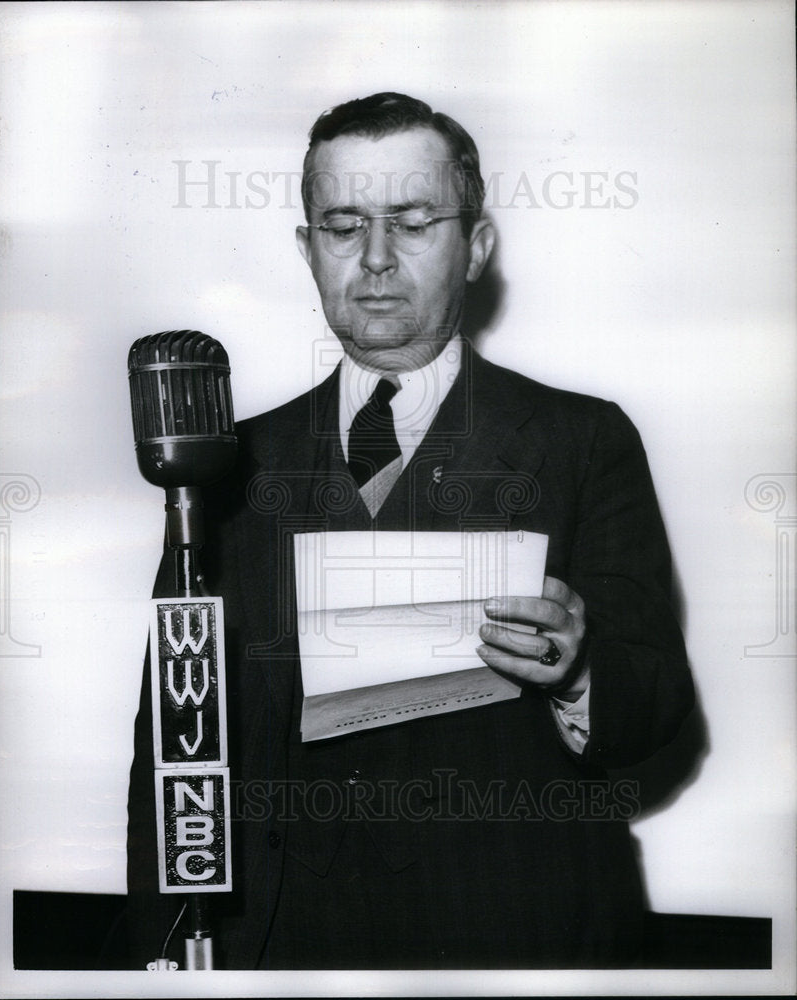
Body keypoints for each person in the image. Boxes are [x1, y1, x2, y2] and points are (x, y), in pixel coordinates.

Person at [127, 92, 694, 970]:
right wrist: (157, 957)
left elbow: (658, 710)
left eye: (413, 222)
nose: (377, 259)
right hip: (276, 955)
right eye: (343, 225)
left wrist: (581, 669)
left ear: (475, 246)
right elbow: (168, 741)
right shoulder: (225, 463)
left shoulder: (585, 440)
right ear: (306, 249)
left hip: (509, 949)